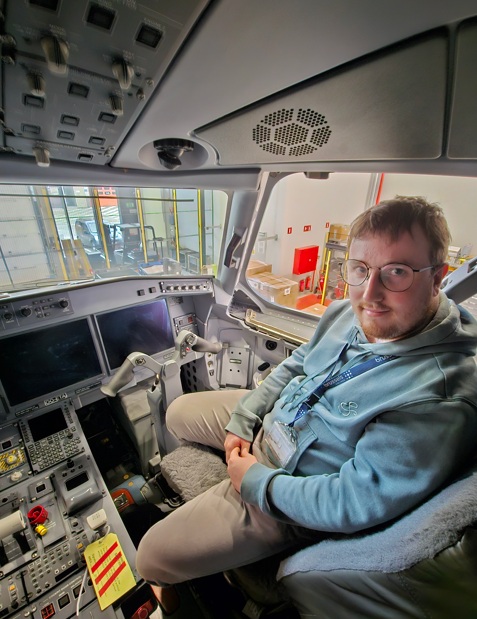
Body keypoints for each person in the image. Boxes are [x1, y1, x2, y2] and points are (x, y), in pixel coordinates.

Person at [136, 196, 477, 609]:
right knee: (177, 413)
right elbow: (298, 365)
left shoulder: (438, 396)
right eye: (360, 269)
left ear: (438, 277)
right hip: (282, 419)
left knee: (149, 557)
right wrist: (246, 415)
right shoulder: (348, 312)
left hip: (295, 492)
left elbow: (353, 501)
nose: (370, 294)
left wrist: (256, 482)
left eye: (397, 272)